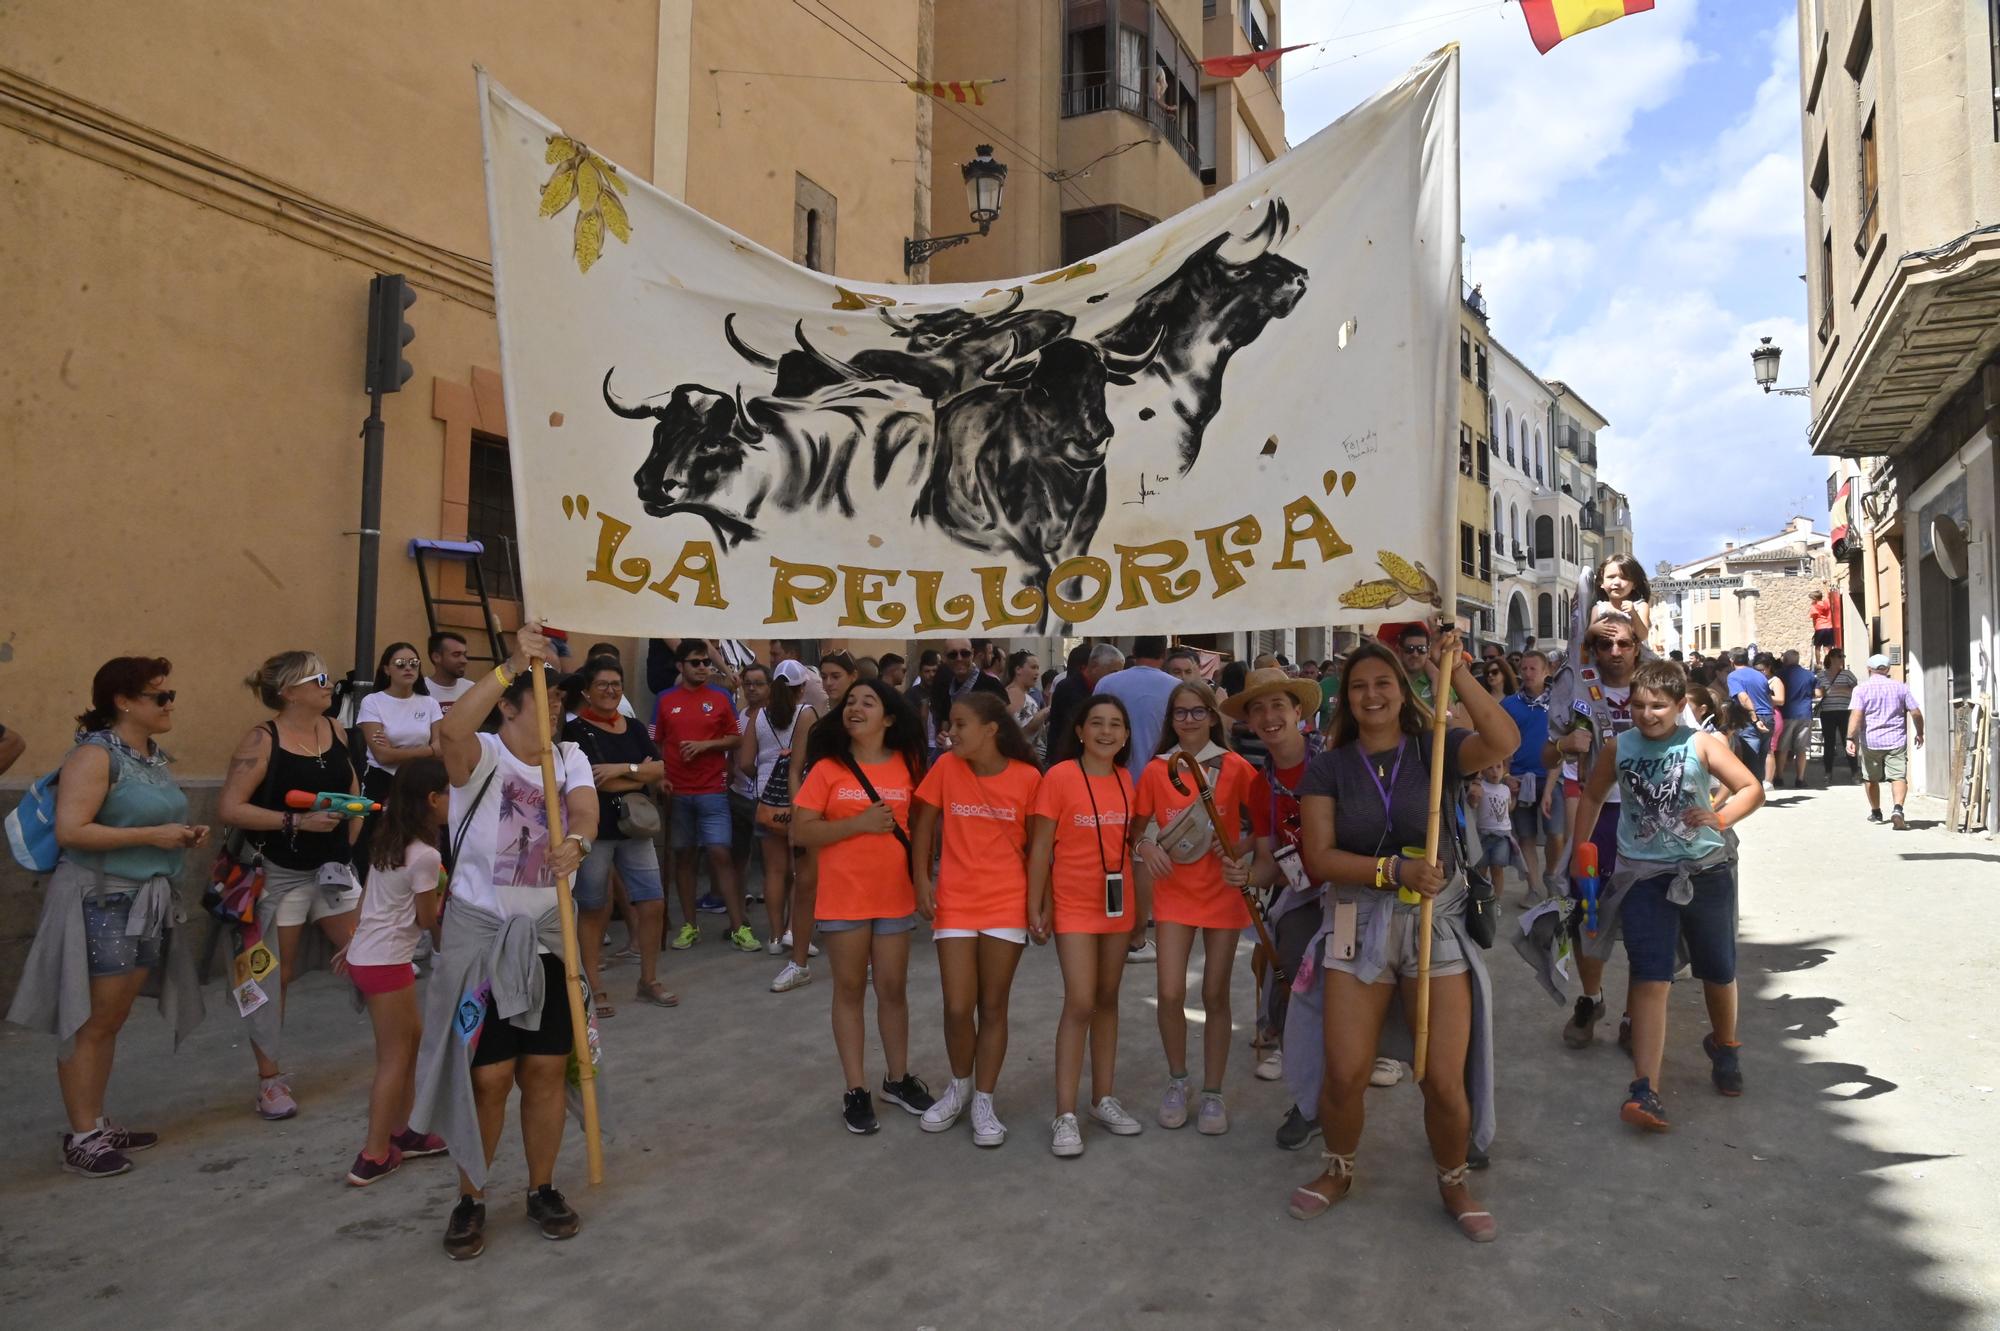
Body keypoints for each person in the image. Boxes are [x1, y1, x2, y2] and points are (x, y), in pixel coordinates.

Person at [1284, 632, 1517, 1242]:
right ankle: (1338, 1169)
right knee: (1346, 1071)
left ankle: (1453, 1179)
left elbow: (1504, 742)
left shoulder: (1435, 746)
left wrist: (1457, 669)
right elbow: (1320, 858)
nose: (1370, 694)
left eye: (1382, 682)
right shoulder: (1328, 766)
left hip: (1435, 923)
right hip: (1353, 923)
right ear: (1345, 699)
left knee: (1442, 1076)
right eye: (1358, 686)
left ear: (1404, 688)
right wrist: (1391, 870)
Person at [410, 624, 596, 1259]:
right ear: (510, 705)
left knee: (545, 1068)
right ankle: (472, 1195)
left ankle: (542, 1187)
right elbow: (452, 731)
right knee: (486, 1077)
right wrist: (513, 662)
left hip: (547, 939)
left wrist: (581, 841)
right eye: (542, 697)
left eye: (561, 701)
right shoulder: (481, 755)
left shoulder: (569, 757)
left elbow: (585, 808)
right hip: (484, 942)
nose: (557, 709)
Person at [8, 657, 207, 1178]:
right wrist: (153, 836)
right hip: (101, 899)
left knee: (111, 1018)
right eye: (159, 696)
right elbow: (73, 830)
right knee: (91, 1019)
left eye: (170, 694)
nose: (170, 705)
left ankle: (95, 1122)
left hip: (143, 899)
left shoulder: (152, 756)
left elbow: (149, 819)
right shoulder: (95, 755)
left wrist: (181, 835)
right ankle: (81, 1135)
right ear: (123, 701)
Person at [1567, 660, 1764, 1132]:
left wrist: (1720, 819)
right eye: (1638, 705)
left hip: (1707, 872)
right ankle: (1645, 1088)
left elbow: (1751, 788)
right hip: (1644, 877)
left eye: (1658, 706)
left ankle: (1725, 1045)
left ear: (1680, 706)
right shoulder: (1619, 747)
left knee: (1717, 968)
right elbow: (1593, 796)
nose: (1647, 714)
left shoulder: (1700, 743)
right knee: (1651, 976)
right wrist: (1581, 850)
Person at [218, 651, 363, 1120]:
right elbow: (231, 807)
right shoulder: (263, 739)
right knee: (269, 977)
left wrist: (349, 835)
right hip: (279, 875)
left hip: (333, 871)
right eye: (319, 678)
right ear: (289, 692)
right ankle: (269, 1080)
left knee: (374, 954)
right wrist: (295, 820)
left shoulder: (337, 730)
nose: (329, 684)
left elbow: (355, 790)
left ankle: (406, 1051)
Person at [790, 679, 937, 1133]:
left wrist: (923, 878)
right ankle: (856, 1088)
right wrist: (859, 823)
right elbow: (802, 832)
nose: (855, 708)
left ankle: (896, 1078)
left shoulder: (909, 765)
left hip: (894, 896)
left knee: (893, 989)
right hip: (844, 898)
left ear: (889, 717)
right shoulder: (828, 770)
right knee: (849, 990)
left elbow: (920, 829)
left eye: (867, 702)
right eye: (850, 702)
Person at [909, 692, 1041, 1146]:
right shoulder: (945, 767)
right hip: (956, 900)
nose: (952, 732)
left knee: (994, 1005)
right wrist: (922, 879)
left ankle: (984, 1099)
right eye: (950, 723)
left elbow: (1041, 848)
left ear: (991, 729)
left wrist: (1039, 904)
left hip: (1007, 901)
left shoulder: (1028, 778)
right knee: (957, 1005)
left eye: (961, 724)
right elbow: (922, 820)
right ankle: (959, 1085)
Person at [1133, 681, 1264, 1136]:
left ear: (1212, 716)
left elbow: (1263, 823)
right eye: (1180, 713)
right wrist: (1147, 847)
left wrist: (1241, 853)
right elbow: (1138, 828)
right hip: (1173, 893)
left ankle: (1212, 1092)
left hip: (1223, 895)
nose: (1188, 720)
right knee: (1169, 991)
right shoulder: (1155, 770)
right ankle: (1178, 1080)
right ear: (1170, 720)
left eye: (1197, 712)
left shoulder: (1235, 767)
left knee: (1214, 993)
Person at [1219, 666, 1332, 1148]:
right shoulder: (1260, 786)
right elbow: (1270, 864)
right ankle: (1309, 1102)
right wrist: (1248, 876)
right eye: (1257, 709)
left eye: (1277, 706)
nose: (1268, 717)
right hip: (1304, 895)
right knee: (1287, 979)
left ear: (1298, 711)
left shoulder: (1336, 762)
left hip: (1360, 889)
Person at [1029, 695, 1143, 1156]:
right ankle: (1065, 1114)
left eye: (1116, 724)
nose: (1105, 731)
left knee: (1107, 999)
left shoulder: (1125, 779)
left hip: (1118, 907)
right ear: (1079, 730)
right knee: (1080, 1001)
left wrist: (1141, 919)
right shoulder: (1058, 777)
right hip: (1074, 905)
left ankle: (1102, 1098)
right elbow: (1039, 849)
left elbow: (1130, 850)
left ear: (1126, 735)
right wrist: (1035, 904)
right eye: (1095, 722)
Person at [343, 756, 450, 1186]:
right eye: (448, 793)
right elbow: (427, 921)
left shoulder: (389, 840)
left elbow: (370, 897)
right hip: (387, 962)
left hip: (372, 956)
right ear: (431, 799)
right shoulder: (425, 855)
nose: (451, 801)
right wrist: (446, 898)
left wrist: (354, 942)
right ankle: (373, 1154)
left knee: (412, 1040)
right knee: (394, 1057)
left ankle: (404, 1133)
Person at [1547, 614, 1641, 1052]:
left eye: (1624, 643)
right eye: (1605, 645)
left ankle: (1635, 1014)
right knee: (1587, 911)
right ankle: (1591, 998)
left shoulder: (1658, 684)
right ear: (1593, 649)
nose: (1615, 652)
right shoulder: (1575, 687)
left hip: (1648, 818)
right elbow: (1546, 752)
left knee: (1647, 918)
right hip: (1596, 815)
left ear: (1638, 645)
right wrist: (1566, 746)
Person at [563, 656, 672, 1015]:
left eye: (616, 684)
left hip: (634, 829)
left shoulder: (635, 727)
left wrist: (620, 770)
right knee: (594, 908)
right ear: (586, 692)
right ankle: (593, 985)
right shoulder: (574, 731)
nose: (610, 690)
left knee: (653, 902)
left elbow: (659, 770)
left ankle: (649, 980)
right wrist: (637, 774)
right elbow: (591, 778)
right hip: (597, 829)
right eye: (602, 685)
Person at [653, 640, 757, 953]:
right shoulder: (664, 699)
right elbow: (655, 742)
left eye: (705, 662)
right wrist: (660, 777)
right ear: (680, 666)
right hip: (678, 790)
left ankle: (738, 926)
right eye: (696, 662)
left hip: (713, 790)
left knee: (720, 854)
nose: (703, 667)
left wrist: (706, 746)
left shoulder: (722, 697)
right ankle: (689, 925)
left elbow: (737, 738)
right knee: (683, 857)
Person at [1095, 635, 1179, 964]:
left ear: (1132, 652)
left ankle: (1109, 924)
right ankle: (1137, 937)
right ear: (1164, 653)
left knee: (1112, 857)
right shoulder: (1175, 687)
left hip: (1111, 779)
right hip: (1158, 782)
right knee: (1143, 861)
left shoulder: (1107, 681)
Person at [742, 660, 821, 990]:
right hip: (800, 801)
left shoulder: (758, 715)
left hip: (766, 804)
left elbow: (745, 762)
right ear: (802, 688)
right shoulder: (807, 714)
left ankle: (775, 935)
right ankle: (794, 931)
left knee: (773, 871)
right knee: (800, 872)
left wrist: (764, 780)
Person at [355, 642, 442, 869]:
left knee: (418, 837)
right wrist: (427, 750)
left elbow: (440, 749)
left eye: (414, 663)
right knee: (375, 839)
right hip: (382, 778)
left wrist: (397, 751)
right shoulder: (373, 702)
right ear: (386, 669)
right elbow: (382, 756)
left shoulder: (429, 703)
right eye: (400, 663)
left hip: (418, 779)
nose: (408, 668)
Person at [1502, 651, 1563, 900]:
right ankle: (1533, 887)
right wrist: (1506, 775)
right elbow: (1501, 743)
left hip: (1552, 777)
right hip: (1520, 779)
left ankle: (1551, 875)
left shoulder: (1559, 703)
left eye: (1532, 669)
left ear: (1546, 671)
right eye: (1524, 669)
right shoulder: (1509, 705)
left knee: (1555, 834)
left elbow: (1561, 743)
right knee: (1525, 835)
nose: (1527, 673)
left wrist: (1550, 786)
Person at [1847, 654, 1924, 829]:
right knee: (1898, 776)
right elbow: (1916, 712)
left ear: (1869, 669)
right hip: (1896, 739)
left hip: (1871, 741)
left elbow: (1856, 715)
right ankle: (1898, 809)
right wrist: (1920, 732)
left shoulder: (1861, 689)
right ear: (1888, 670)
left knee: (1870, 778)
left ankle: (1876, 812)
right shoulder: (1901, 688)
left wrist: (1850, 737)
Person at [925, 637, 1007, 753]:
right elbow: (945, 726)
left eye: (965, 653)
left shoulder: (992, 685)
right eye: (953, 655)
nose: (959, 659)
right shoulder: (945, 686)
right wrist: (943, 738)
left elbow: (1006, 727)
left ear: (972, 654)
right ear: (945, 658)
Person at [1726, 650, 1778, 789]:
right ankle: (1758, 789)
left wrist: (1754, 719)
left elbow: (1744, 698)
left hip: (1751, 719)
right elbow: (1767, 696)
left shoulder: (1733, 676)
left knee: (1751, 757)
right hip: (1768, 716)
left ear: (1732, 661)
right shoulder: (1760, 675)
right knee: (1762, 755)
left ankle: (1753, 793)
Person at [1469, 762, 1519, 904]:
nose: (1495, 772)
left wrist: (1515, 798)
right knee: (1481, 869)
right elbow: (1473, 805)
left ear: (1504, 769)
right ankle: (1484, 899)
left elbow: (1507, 809)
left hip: (1502, 835)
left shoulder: (1505, 789)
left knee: (1497, 868)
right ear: (1482, 771)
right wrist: (1473, 797)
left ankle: (1496, 900)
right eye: (1489, 767)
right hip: (1484, 835)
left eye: (1498, 767)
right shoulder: (1481, 788)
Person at [1043, 643, 1102, 756]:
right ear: (1085, 667)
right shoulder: (1069, 688)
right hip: (1067, 754)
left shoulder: (1086, 686)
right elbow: (1072, 723)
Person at [1775, 650, 1818, 789]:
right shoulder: (1809, 675)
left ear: (1786, 660)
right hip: (1804, 714)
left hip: (1786, 714)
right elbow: (1817, 693)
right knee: (1801, 749)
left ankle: (1779, 778)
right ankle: (1800, 779)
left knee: (1783, 748)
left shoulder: (1780, 675)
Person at [1816, 649, 1859, 783]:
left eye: (1843, 656)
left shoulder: (1847, 674)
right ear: (1832, 658)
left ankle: (1854, 773)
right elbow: (1818, 693)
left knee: (1849, 740)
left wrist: (1842, 689)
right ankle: (1828, 773)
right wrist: (1821, 692)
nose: (1842, 658)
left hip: (1845, 712)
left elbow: (1857, 691)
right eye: (1840, 656)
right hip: (1827, 712)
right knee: (1829, 744)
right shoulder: (1821, 675)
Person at [1591, 554, 1653, 640]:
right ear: (1601, 582)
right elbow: (1587, 640)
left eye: (1624, 578)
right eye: (1611, 577)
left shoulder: (1640, 606)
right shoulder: (1598, 609)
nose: (1616, 582)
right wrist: (1593, 630)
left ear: (1634, 584)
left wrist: (1634, 615)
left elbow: (1643, 636)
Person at [1004, 649, 1051, 760]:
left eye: (1038, 668)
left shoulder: (1024, 693)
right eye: (1033, 667)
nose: (1037, 672)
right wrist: (1047, 710)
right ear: (1018, 670)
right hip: (1024, 758)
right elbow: (1024, 730)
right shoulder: (1013, 692)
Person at [426, 632, 475, 712]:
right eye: (456, 655)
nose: (464, 661)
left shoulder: (472, 689)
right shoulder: (420, 691)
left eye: (464, 655)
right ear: (436, 657)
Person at [1808, 590, 1835, 665]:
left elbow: (1814, 620)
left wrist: (1815, 630)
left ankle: (1818, 664)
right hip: (1829, 627)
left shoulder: (1814, 606)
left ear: (1815, 598)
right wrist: (1825, 584)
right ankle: (1828, 663)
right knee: (1828, 647)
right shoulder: (1827, 602)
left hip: (1819, 628)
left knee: (1817, 647)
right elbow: (1828, 593)